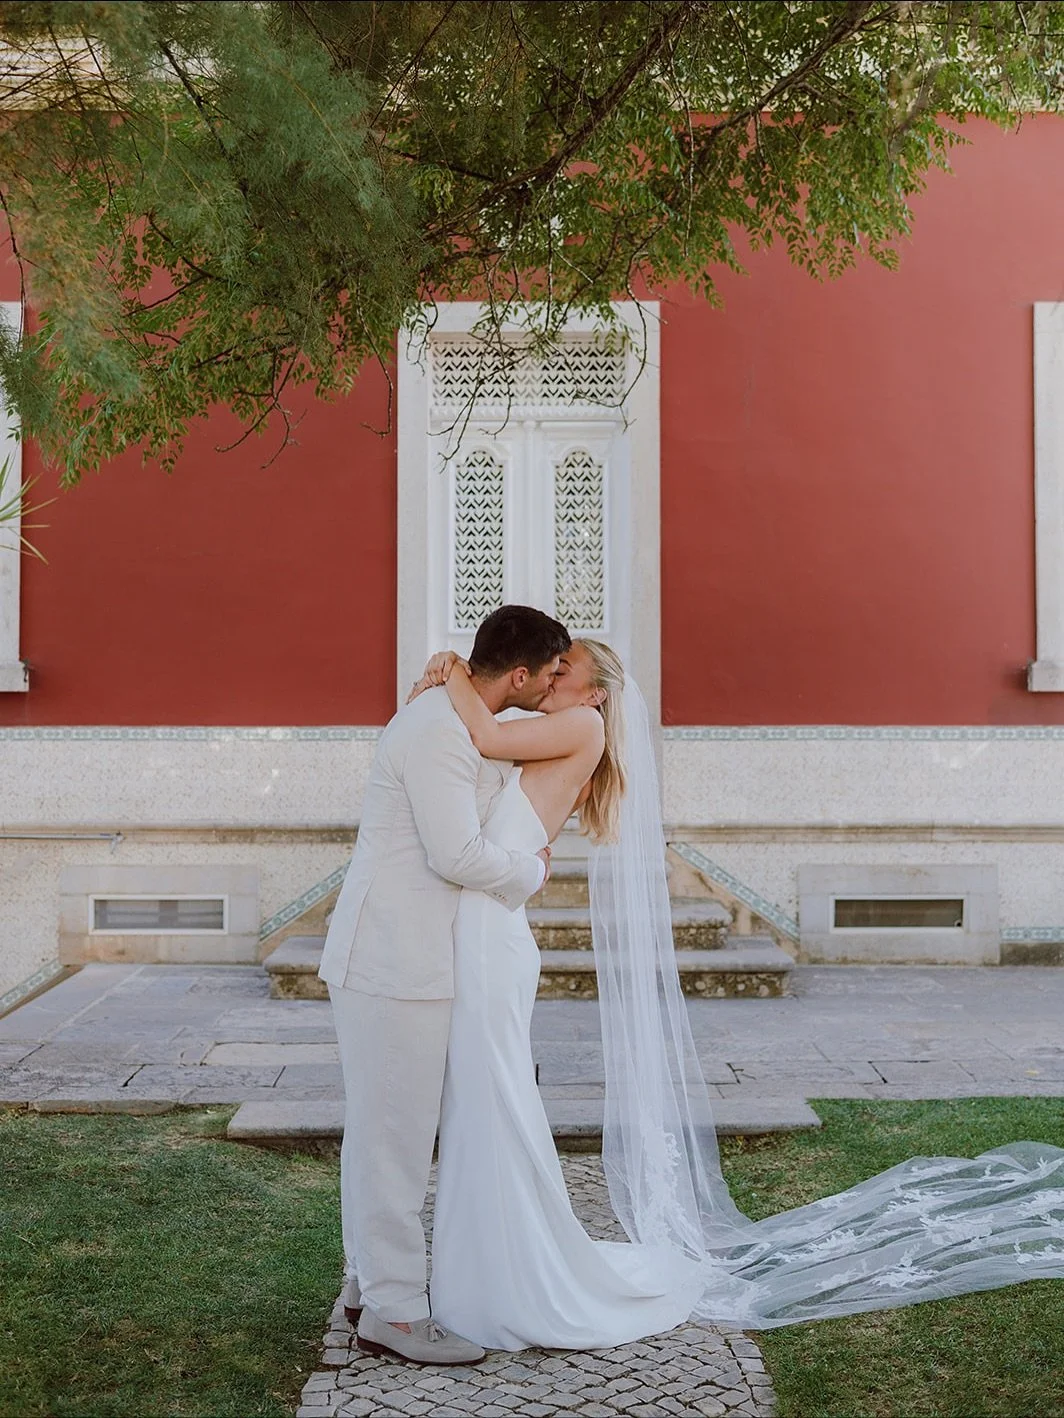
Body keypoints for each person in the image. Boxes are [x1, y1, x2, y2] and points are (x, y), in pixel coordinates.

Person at [409, 639, 1064, 1350]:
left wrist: (455, 671)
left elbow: (482, 734)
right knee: (486, 1101)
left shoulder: (583, 727)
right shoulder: (553, 736)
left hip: (490, 941)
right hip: (480, 935)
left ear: (597, 694)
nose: (553, 677)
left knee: (494, 1100)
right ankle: (488, 1269)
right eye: (554, 666)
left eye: (567, 670)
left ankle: (506, 1279)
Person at [318, 605, 569, 1366]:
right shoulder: (436, 730)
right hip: (394, 960)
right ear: (519, 674)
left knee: (379, 1133)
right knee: (393, 1139)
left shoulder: (451, 719)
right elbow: (454, 853)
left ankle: (366, 1284)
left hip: (409, 957)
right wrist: (530, 873)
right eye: (553, 673)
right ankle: (394, 1312)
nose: (559, 686)